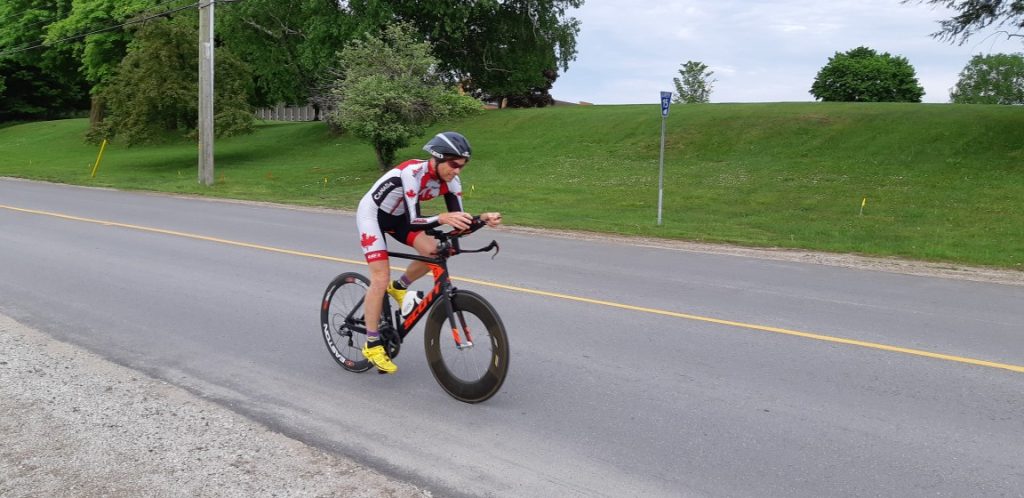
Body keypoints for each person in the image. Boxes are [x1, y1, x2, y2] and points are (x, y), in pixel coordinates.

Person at [355, 131, 502, 373]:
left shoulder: (452, 183)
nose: (457, 171)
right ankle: (372, 344)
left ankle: (399, 287)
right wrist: (442, 218)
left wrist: (482, 219)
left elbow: (459, 226)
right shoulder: (412, 173)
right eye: (453, 165)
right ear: (437, 157)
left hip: (399, 218)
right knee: (380, 277)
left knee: (436, 251)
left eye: (462, 166)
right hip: (373, 215)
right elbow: (415, 220)